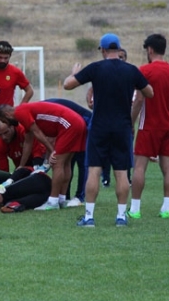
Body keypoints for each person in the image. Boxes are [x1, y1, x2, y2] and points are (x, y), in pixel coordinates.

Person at [63, 33, 153, 227]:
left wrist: (73, 73)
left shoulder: (95, 68)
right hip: (122, 127)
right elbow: (150, 92)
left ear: (103, 50)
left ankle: (89, 217)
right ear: (119, 50)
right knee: (121, 172)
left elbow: (67, 85)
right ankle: (121, 216)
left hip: (99, 127)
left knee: (94, 170)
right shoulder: (131, 70)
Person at [129, 34, 169, 220]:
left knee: (139, 167)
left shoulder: (145, 71)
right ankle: (166, 208)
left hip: (148, 125)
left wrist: (130, 122)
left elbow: (138, 100)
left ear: (150, 50)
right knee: (168, 167)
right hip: (168, 126)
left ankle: (135, 209)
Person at [0, 101, 87, 211]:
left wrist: (52, 150)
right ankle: (61, 199)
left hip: (69, 124)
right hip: (76, 122)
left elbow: (37, 132)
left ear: (6, 114)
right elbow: (28, 142)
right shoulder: (24, 114)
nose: (8, 124)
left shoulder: (20, 112)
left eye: (5, 121)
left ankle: (53, 201)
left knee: (57, 163)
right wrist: (21, 165)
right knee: (65, 163)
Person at [0, 41, 35, 165]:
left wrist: (18, 110)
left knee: (15, 150)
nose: (2, 60)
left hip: (7, 121)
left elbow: (29, 91)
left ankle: (18, 178)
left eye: (6, 58)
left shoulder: (15, 72)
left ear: (10, 57)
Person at [85, 48, 130, 187]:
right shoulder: (102, 71)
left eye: (122, 57)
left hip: (119, 122)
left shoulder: (127, 72)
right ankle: (106, 178)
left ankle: (90, 209)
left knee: (121, 160)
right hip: (107, 122)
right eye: (119, 56)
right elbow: (91, 89)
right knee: (101, 159)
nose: (120, 59)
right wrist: (90, 101)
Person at [44, 98, 92, 207]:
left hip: (85, 122)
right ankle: (65, 195)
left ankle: (80, 196)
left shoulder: (41, 112)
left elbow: (51, 138)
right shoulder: (39, 111)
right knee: (68, 160)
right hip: (71, 125)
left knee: (82, 160)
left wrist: (49, 157)